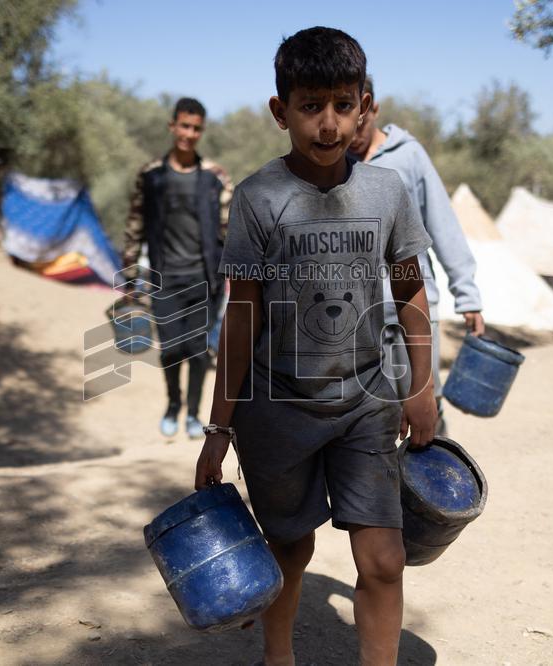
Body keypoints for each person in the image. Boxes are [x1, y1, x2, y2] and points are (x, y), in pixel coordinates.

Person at [194, 27, 436, 665]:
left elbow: (411, 293)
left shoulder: (387, 193)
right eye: (309, 106)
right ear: (281, 111)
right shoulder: (256, 198)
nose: (327, 124)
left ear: (364, 105)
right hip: (277, 408)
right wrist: (219, 428)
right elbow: (241, 317)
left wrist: (421, 391)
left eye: (342, 105)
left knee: (383, 558)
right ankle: (280, 657)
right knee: (288, 549)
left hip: (365, 402)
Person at [349, 76, 483, 433]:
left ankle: (435, 485)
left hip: (414, 308)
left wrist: (467, 294)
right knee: (374, 417)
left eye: (359, 113)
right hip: (360, 317)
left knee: (425, 410)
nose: (354, 128)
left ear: (371, 107)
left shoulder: (408, 155)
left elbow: (442, 222)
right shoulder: (334, 163)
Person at [122, 98, 233, 439]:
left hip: (204, 279)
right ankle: (173, 404)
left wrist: (233, 273)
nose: (189, 134)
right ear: (172, 126)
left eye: (196, 128)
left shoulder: (215, 177)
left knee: (198, 350)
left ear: (202, 131)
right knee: (171, 349)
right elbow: (136, 223)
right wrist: (129, 274)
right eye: (184, 126)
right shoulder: (151, 175)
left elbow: (229, 230)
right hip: (164, 279)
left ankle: (194, 414)